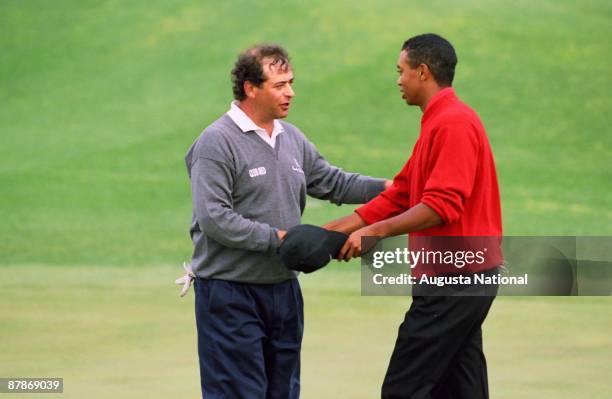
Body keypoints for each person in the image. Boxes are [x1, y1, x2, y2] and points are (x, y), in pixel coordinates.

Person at [182, 44, 390, 399]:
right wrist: (282, 239)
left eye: (291, 82)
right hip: (230, 292)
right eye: (280, 85)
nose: (290, 92)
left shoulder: (290, 137)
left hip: (283, 290)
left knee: (284, 393)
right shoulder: (216, 142)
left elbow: (333, 182)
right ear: (251, 88)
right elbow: (215, 218)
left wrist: (394, 189)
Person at [324, 34, 503, 398]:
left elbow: (441, 205)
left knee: (402, 389)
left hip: (455, 278)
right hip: (463, 275)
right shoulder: (438, 121)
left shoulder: (453, 123)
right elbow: (404, 192)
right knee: (461, 388)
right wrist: (341, 228)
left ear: (422, 72)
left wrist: (373, 232)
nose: (398, 80)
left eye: (401, 71)